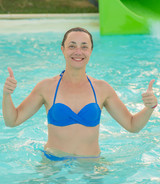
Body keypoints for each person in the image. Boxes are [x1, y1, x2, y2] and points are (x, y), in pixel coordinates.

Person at [2, 27, 158, 161]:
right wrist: (7, 95)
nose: (78, 52)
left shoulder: (102, 89)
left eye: (84, 46)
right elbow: (12, 121)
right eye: (72, 46)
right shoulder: (46, 87)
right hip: (54, 165)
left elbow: (132, 126)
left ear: (91, 51)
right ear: (62, 49)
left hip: (91, 165)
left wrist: (150, 107)